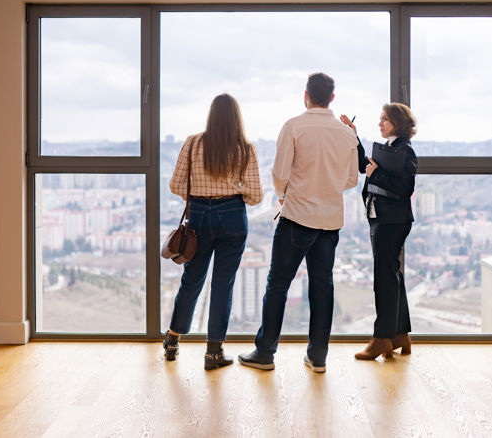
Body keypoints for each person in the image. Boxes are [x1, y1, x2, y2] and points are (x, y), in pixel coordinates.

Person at [238, 73, 358, 374]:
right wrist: (327, 187)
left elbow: (279, 173)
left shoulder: (294, 126)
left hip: (296, 218)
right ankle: (318, 357)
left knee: (277, 284)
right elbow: (352, 179)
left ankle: (265, 353)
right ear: (332, 98)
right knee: (323, 287)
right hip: (330, 222)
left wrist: (284, 195)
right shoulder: (347, 134)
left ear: (306, 95)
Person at [163, 93, 263, 370]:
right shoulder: (245, 148)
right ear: (236, 117)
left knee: (192, 279)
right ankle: (213, 352)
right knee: (223, 284)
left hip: (199, 216)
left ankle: (172, 340)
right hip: (232, 216)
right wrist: (233, 191)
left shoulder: (193, 143)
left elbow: (175, 185)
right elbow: (255, 197)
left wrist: (200, 195)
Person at [339, 103, 417, 361]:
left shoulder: (405, 151)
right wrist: (354, 135)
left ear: (397, 122)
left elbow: (404, 188)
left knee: (384, 279)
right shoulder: (391, 148)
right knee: (392, 275)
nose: (380, 123)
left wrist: (377, 173)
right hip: (382, 218)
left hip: (391, 222)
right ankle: (400, 335)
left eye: (384, 119)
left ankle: (382, 338)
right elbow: (365, 166)